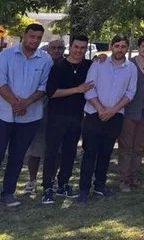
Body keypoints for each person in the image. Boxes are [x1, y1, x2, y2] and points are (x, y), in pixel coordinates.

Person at [78, 36, 137, 204]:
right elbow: (89, 89)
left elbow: (130, 93)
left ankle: (100, 186)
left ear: (127, 48)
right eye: (117, 46)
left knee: (106, 153)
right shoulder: (99, 63)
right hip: (93, 114)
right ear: (112, 46)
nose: (120, 49)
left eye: (123, 46)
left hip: (115, 116)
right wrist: (101, 109)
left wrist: (113, 110)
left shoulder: (131, 68)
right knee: (90, 153)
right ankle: (84, 189)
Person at [0, 23, 50, 208]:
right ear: (24, 35)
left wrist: (26, 103)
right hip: (3, 115)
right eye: (32, 37)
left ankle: (8, 194)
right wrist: (15, 103)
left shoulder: (45, 61)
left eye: (38, 38)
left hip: (30, 117)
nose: (34, 41)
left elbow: (43, 88)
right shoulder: (5, 56)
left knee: (17, 156)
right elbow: (1, 82)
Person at [41, 35, 93, 204]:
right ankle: (47, 187)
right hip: (57, 115)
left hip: (77, 116)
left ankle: (63, 184)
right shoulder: (58, 67)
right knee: (52, 152)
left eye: (83, 48)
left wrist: (101, 58)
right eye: (76, 47)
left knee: (70, 152)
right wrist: (78, 89)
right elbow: (52, 92)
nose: (79, 51)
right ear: (70, 47)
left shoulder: (88, 65)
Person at [117, 35, 144, 192]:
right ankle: (123, 179)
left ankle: (134, 177)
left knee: (139, 147)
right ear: (138, 47)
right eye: (143, 46)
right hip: (129, 111)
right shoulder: (129, 64)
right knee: (125, 147)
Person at [24, 39, 64, 196]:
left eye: (60, 48)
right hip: (39, 110)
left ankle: (52, 179)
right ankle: (32, 180)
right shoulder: (40, 64)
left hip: (60, 113)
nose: (56, 50)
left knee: (57, 149)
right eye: (53, 48)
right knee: (35, 148)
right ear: (48, 49)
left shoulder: (67, 64)